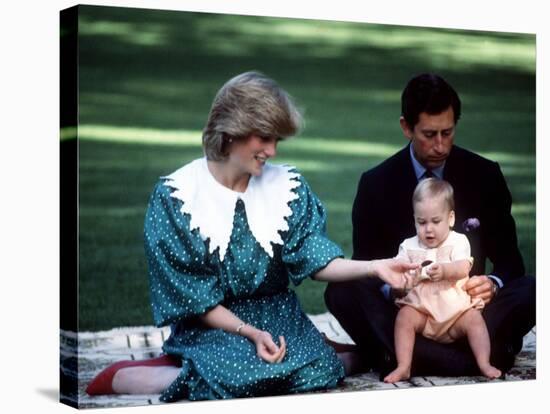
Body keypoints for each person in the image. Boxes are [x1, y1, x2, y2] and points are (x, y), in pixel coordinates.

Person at [86, 71, 417, 401]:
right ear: (231, 132)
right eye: (264, 138)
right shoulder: (178, 197)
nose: (272, 151)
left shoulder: (287, 188)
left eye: (277, 140)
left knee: (322, 372)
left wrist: (376, 267)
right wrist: (250, 333)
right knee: (240, 377)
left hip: (277, 313)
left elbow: (315, 259)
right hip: (211, 322)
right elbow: (194, 299)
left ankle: (311, 351)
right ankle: (157, 373)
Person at [325, 73, 536, 379]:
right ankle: (475, 358)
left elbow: (511, 262)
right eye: (429, 134)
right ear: (406, 127)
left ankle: (397, 356)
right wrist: (394, 289)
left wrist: (492, 283)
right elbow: (367, 266)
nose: (440, 145)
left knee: (532, 288)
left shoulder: (485, 174)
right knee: (341, 291)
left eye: (447, 133)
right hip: (409, 314)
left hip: (468, 313)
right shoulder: (375, 184)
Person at [384, 178, 501, 383]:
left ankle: (484, 362)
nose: (428, 229)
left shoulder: (458, 241)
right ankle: (404, 365)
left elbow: (464, 266)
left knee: (474, 319)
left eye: (435, 221)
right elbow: (398, 267)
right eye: (422, 222)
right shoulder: (409, 245)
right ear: (415, 220)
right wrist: (404, 277)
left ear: (451, 218)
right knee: (404, 317)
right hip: (423, 314)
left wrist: (446, 270)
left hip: (455, 314)